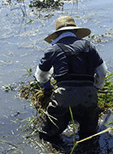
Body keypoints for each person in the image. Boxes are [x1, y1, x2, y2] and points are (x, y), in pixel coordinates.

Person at [35, 15, 108, 144]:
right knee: (89, 136)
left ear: (57, 34)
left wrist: (47, 86)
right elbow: (102, 72)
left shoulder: (53, 49)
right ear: (75, 32)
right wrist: (96, 88)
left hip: (64, 97)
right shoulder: (88, 46)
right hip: (88, 96)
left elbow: (40, 74)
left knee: (48, 135)